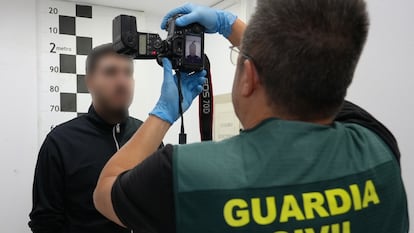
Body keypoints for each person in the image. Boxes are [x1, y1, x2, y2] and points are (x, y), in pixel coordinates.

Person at [93, 1, 409, 233]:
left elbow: (106, 189)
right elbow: (317, 81)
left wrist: (164, 113)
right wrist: (230, 25)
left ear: (249, 77)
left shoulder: (184, 174)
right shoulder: (377, 143)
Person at [29, 43, 150, 233]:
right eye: (111, 72)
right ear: (90, 82)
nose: (122, 81)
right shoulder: (60, 142)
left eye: (128, 73)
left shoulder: (146, 135)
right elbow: (45, 222)